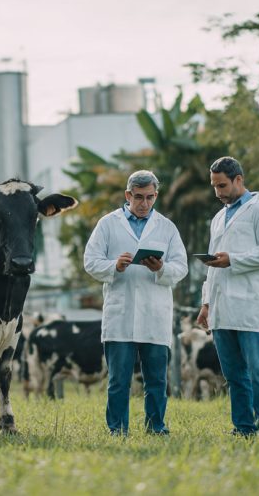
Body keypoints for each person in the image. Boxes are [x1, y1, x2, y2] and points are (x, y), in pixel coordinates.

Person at [84, 170, 187, 436]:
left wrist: (161, 268)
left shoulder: (167, 227)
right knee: (119, 380)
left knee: (157, 380)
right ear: (128, 195)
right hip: (121, 313)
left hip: (155, 313)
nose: (144, 203)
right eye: (139, 197)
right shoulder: (108, 224)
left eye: (149, 197)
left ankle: (156, 428)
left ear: (156, 196)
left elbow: (181, 267)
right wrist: (114, 266)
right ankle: (117, 429)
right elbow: (90, 261)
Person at [196, 156, 259, 438]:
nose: (217, 192)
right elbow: (212, 265)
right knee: (234, 375)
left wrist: (233, 259)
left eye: (222, 185)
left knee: (258, 371)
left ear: (239, 180)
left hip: (250, 305)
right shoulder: (218, 218)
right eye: (214, 186)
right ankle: (243, 427)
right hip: (221, 308)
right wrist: (206, 303)